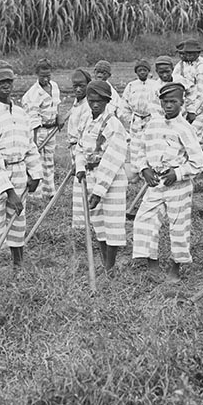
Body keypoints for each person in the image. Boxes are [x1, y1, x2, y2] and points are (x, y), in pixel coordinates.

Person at [131, 83, 203, 282]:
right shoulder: (152, 124)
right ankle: (151, 264)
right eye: (165, 102)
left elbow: (199, 162)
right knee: (144, 220)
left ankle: (175, 267)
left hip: (178, 186)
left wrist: (179, 173)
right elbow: (140, 151)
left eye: (173, 102)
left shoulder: (185, 128)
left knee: (178, 226)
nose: (169, 106)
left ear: (182, 103)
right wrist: (144, 169)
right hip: (156, 183)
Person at [0, 67, 42, 269]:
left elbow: (30, 146)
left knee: (18, 222)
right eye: (1, 82)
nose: (6, 86)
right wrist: (8, 191)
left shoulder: (21, 114)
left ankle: (18, 267)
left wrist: (35, 174)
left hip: (20, 171)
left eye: (9, 81)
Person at [75, 80, 128, 272]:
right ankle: (103, 261)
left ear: (107, 101)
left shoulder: (113, 124)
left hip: (111, 179)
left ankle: (110, 266)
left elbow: (113, 159)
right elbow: (80, 147)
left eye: (99, 101)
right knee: (98, 222)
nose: (95, 104)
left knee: (112, 222)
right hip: (91, 175)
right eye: (91, 100)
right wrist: (80, 166)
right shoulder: (86, 120)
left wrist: (98, 192)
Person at [172, 38, 203, 175]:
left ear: (198, 53)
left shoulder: (202, 67)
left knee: (191, 135)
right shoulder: (180, 65)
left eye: (191, 53)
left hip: (202, 106)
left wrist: (194, 111)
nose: (187, 56)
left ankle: (192, 168)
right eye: (184, 54)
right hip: (187, 104)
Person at [21, 58, 61, 201]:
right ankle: (35, 196)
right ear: (36, 74)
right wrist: (36, 141)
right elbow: (33, 119)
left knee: (49, 161)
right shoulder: (33, 94)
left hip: (52, 130)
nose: (46, 78)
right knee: (36, 162)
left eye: (48, 75)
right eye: (42, 76)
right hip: (39, 130)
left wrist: (59, 118)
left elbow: (57, 106)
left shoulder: (54, 87)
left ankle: (49, 192)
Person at [67, 68, 94, 233]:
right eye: (75, 86)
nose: (78, 89)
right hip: (73, 147)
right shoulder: (76, 103)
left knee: (83, 184)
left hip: (81, 149)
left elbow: (85, 134)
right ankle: (79, 226)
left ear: (88, 86)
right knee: (78, 186)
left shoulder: (88, 106)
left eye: (82, 86)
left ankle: (85, 227)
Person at [119, 58, 161, 145]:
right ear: (136, 72)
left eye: (144, 70)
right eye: (139, 70)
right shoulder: (131, 85)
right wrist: (130, 119)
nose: (142, 72)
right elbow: (124, 104)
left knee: (150, 142)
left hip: (151, 118)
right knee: (135, 143)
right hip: (136, 119)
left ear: (148, 71)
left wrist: (156, 117)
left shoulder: (155, 84)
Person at [92, 60, 127, 126]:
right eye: (98, 72)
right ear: (94, 72)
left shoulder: (112, 94)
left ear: (109, 75)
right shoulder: (90, 89)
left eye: (103, 73)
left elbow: (120, 113)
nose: (99, 75)